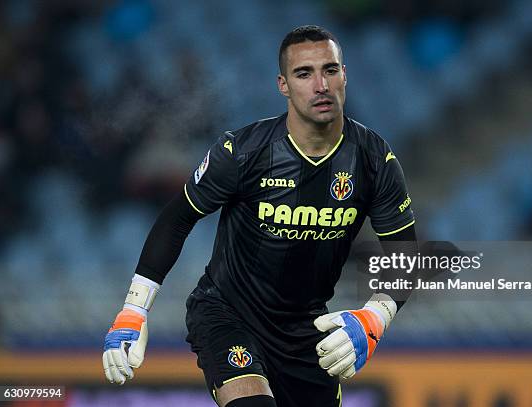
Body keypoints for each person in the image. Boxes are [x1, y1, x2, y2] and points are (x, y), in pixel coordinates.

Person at [102, 25, 416, 407]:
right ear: (283, 85)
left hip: (307, 330)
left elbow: (406, 257)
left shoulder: (374, 160)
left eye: (330, 70)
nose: (320, 84)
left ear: (344, 76)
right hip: (227, 313)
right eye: (304, 73)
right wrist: (134, 309)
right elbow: (177, 218)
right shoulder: (243, 152)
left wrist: (375, 317)